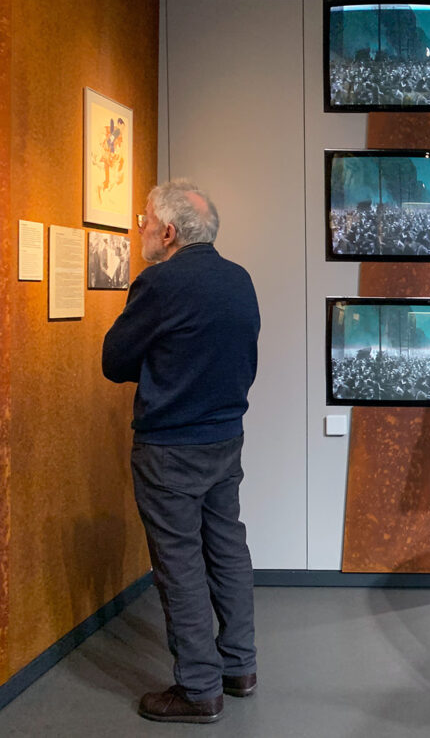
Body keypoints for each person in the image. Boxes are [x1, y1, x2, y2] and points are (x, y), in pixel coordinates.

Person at [102, 179, 261, 724]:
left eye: (144, 218)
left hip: (170, 448)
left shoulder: (159, 284)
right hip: (225, 440)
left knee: (180, 565)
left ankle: (198, 690)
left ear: (168, 231)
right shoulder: (239, 280)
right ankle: (239, 667)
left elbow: (115, 361)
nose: (139, 227)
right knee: (227, 550)